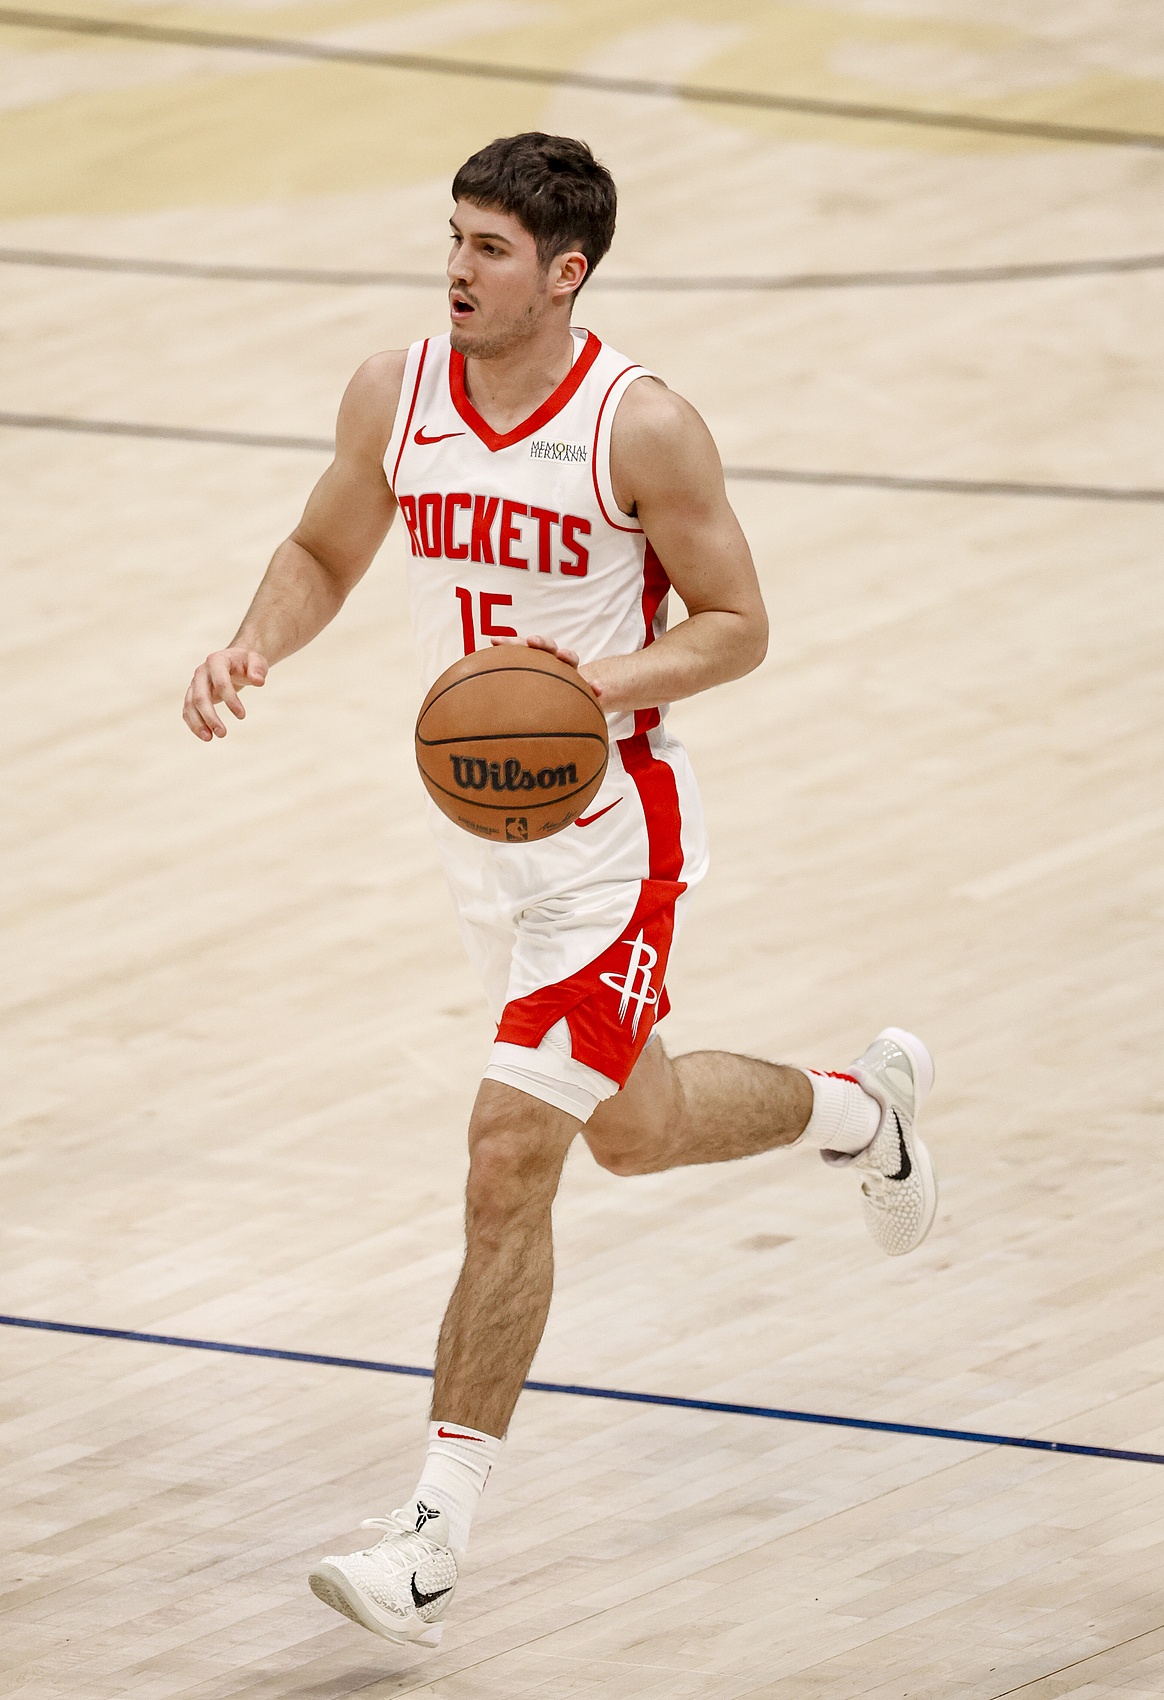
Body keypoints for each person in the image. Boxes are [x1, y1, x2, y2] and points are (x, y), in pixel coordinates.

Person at [183, 131, 938, 1650]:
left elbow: (735, 623)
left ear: (566, 271)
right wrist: (255, 639)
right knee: (635, 1133)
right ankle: (862, 1112)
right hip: (480, 836)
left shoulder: (637, 425)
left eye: (491, 250)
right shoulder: (394, 392)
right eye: (453, 239)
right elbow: (324, 546)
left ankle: (429, 1542)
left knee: (506, 1154)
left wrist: (588, 684)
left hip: (610, 839)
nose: (457, 271)